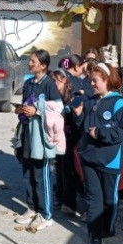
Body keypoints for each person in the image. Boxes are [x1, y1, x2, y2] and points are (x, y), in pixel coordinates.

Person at [73, 63, 123, 244]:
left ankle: (108, 228)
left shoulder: (118, 102)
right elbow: (84, 126)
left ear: (106, 80)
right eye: (90, 80)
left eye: (95, 80)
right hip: (88, 157)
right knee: (93, 198)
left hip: (109, 159)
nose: (92, 83)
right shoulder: (92, 101)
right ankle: (95, 234)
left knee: (109, 199)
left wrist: (100, 133)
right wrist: (78, 115)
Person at [13, 49, 62, 231]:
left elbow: (58, 108)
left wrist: (38, 111)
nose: (30, 63)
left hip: (41, 137)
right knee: (27, 174)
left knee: (41, 175)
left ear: (43, 65)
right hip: (27, 133)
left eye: (33, 61)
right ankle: (32, 207)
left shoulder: (49, 84)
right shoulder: (28, 83)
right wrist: (21, 110)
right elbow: (26, 104)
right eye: (30, 60)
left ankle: (45, 214)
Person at [51, 69, 80, 216]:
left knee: (68, 171)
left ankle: (69, 202)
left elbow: (77, 120)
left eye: (55, 81)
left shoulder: (73, 97)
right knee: (59, 168)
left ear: (63, 80)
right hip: (58, 137)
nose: (53, 84)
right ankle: (60, 196)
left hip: (70, 138)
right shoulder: (54, 96)